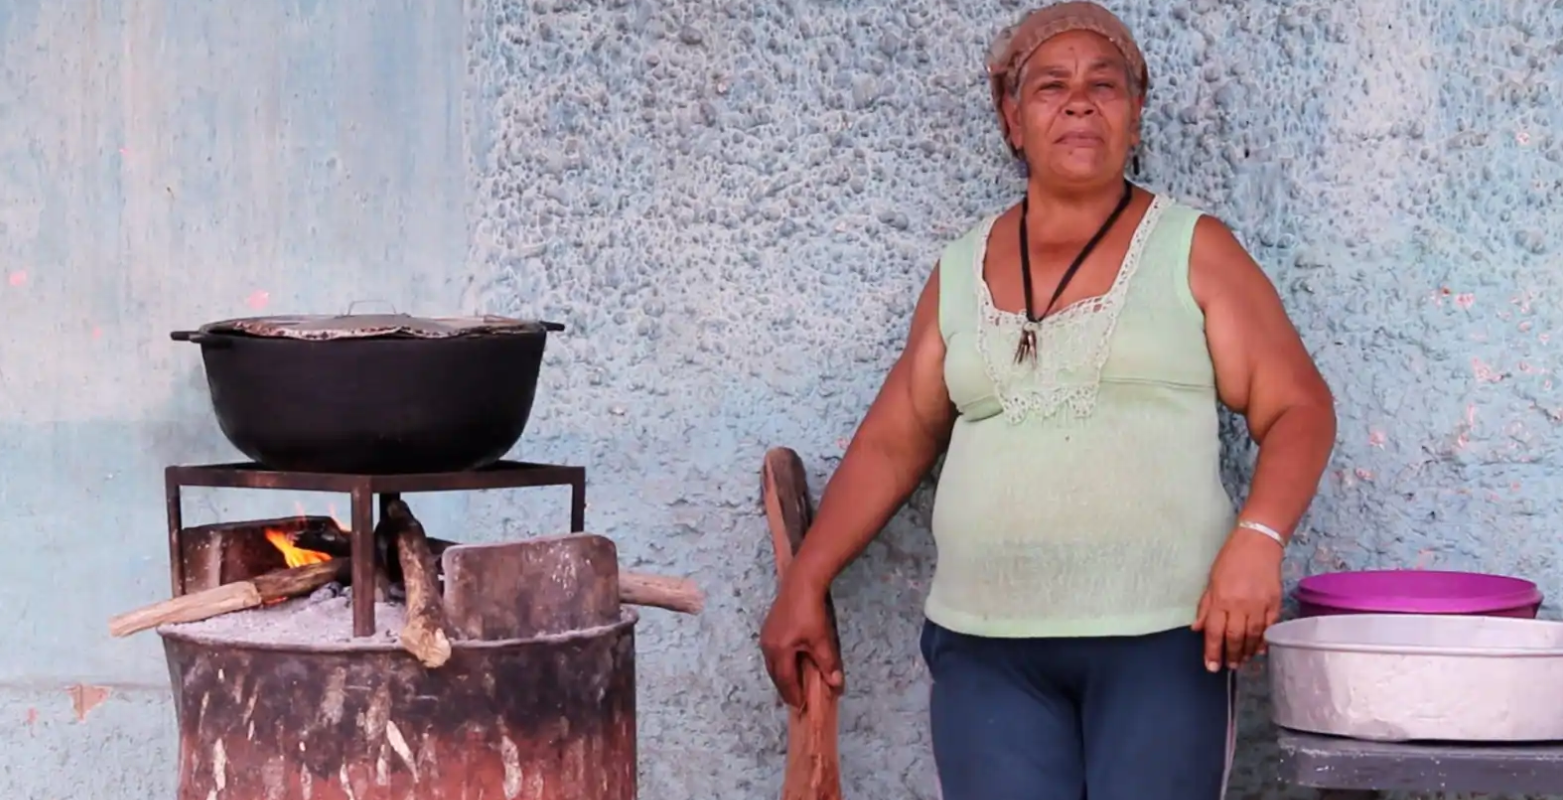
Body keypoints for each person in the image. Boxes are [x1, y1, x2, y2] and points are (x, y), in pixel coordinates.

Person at [758, 3, 1337, 798]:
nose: (1078, 102)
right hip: (986, 649)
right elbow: (895, 440)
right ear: (1011, 119)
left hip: (1163, 641)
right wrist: (804, 583)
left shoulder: (1192, 250)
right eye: (1049, 86)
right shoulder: (960, 270)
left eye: (1105, 85)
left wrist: (1258, 539)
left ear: (1134, 118)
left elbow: (1298, 408)